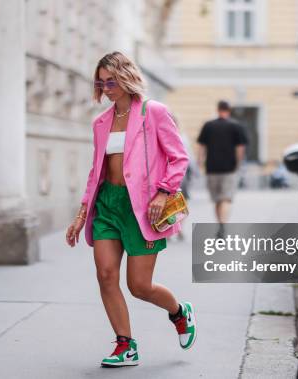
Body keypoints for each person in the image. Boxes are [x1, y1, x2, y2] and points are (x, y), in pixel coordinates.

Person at [64, 51, 195, 368]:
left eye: (111, 81)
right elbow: (96, 172)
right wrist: (82, 214)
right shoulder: (101, 123)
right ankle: (126, 345)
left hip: (143, 208)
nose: (106, 88)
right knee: (106, 275)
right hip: (107, 204)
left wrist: (164, 193)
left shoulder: (154, 113)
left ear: (125, 77)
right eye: (101, 82)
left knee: (140, 286)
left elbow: (179, 158)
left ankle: (179, 312)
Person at [196, 100, 248, 235]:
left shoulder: (208, 125)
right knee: (226, 198)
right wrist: (238, 164)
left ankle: (220, 223)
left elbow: (201, 146)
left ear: (218, 109)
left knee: (217, 199)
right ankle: (223, 225)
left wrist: (200, 161)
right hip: (229, 169)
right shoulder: (236, 126)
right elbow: (240, 148)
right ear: (228, 110)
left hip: (212, 168)